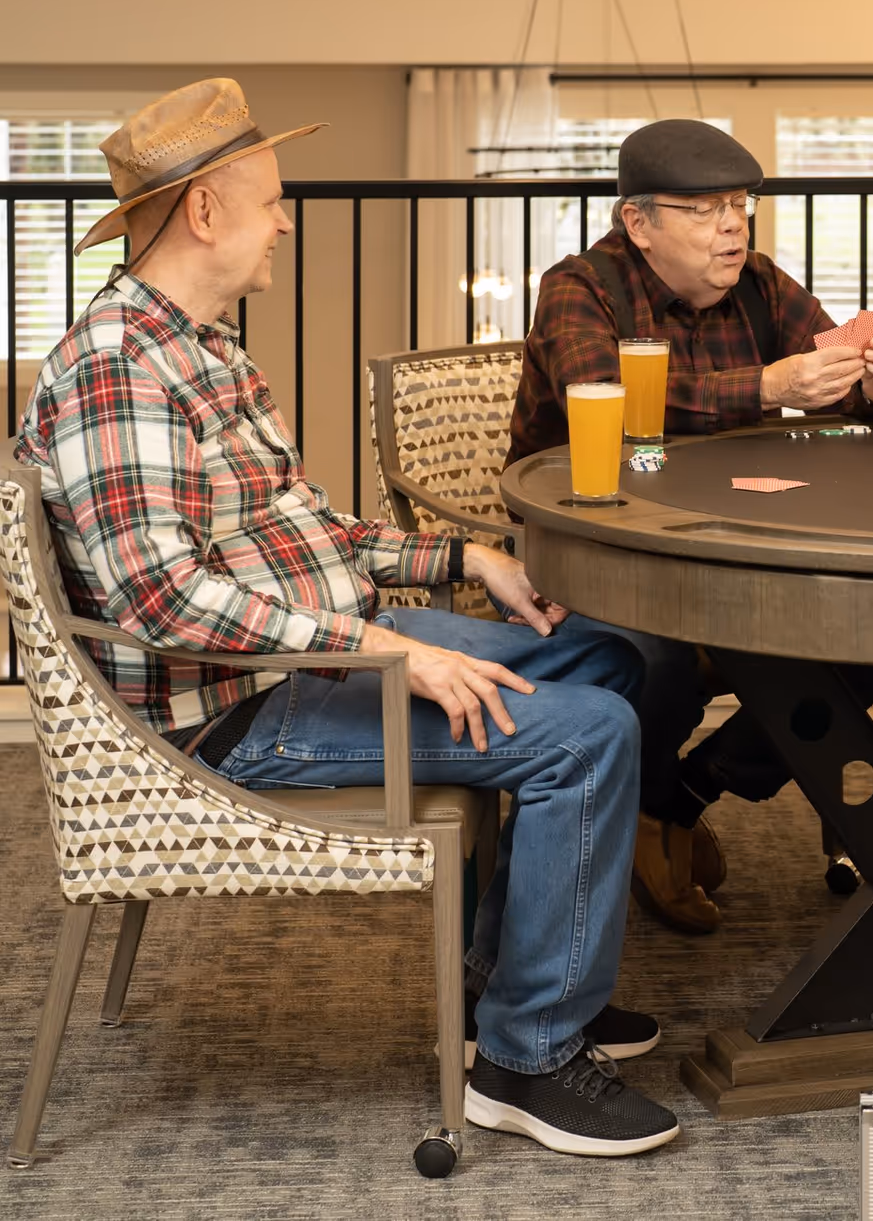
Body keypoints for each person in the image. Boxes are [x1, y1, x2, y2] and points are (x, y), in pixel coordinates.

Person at [15, 79, 677, 1158]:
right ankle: (529, 1055)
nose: (286, 218)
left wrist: (465, 557)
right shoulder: (118, 365)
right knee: (590, 737)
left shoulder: (206, 348)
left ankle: (510, 982)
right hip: (231, 715)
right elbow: (160, 598)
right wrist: (386, 649)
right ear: (204, 212)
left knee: (605, 658)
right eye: (272, 199)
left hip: (302, 663)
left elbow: (309, 536)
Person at [507, 120, 873, 934]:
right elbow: (615, 409)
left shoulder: (762, 284)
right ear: (640, 224)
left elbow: (868, 406)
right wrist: (767, 385)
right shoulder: (578, 288)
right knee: (647, 656)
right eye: (704, 210)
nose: (734, 226)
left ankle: (678, 796)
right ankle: (652, 805)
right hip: (599, 560)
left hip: (742, 554)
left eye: (741, 204)